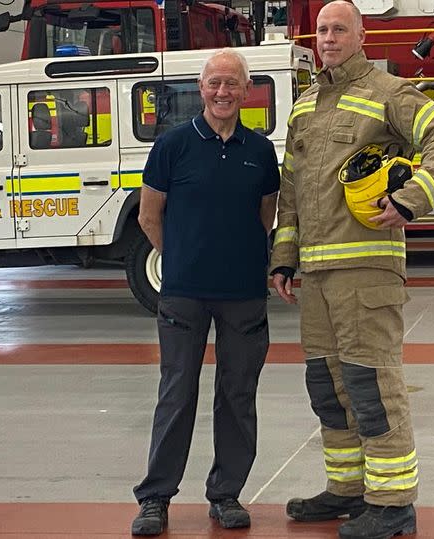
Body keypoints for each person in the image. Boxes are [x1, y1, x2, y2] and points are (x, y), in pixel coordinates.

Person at [269, 2, 434, 538]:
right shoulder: (305, 105)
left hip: (367, 267)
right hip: (316, 273)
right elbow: (292, 191)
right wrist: (284, 257)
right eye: (323, 30)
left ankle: (393, 503)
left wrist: (411, 200)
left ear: (361, 34)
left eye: (339, 29)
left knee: (371, 384)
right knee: (328, 387)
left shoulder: (389, 92)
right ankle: (348, 490)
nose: (328, 38)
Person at [131, 48, 280, 536]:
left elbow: (266, 217)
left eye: (231, 83)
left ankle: (226, 494)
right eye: (214, 83)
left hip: (243, 295)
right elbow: (149, 216)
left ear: (245, 90)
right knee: (176, 394)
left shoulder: (259, 152)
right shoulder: (172, 146)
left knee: (238, 395)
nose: (222, 92)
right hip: (183, 296)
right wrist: (182, 261)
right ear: (201, 89)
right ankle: (155, 498)